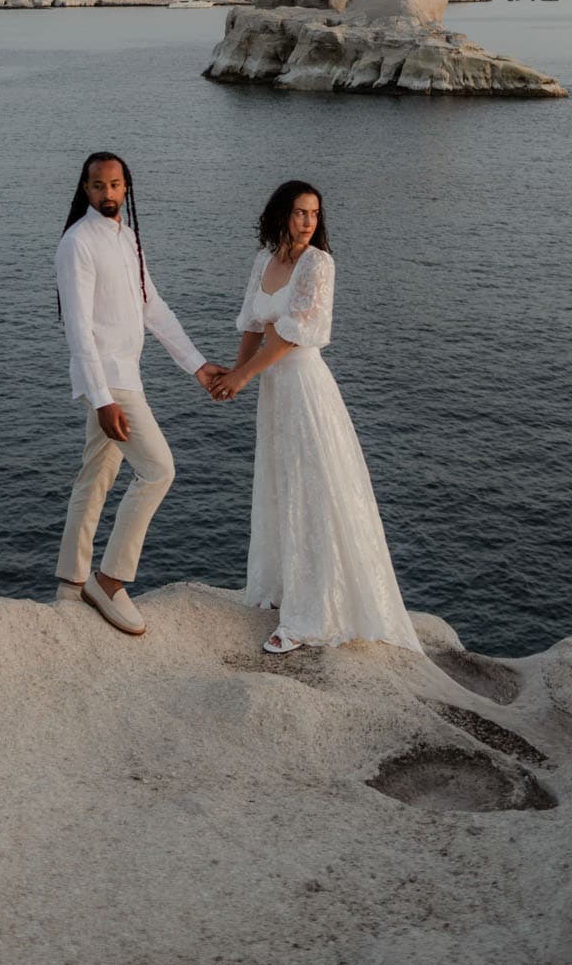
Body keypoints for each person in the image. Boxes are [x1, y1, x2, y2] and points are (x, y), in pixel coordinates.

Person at [212, 178, 421, 656]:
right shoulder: (264, 261)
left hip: (304, 388)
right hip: (273, 390)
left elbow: (291, 335)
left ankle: (308, 617)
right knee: (281, 485)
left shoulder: (318, 265)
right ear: (280, 214)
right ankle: (284, 590)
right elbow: (252, 322)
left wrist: (242, 378)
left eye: (314, 214)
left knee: (312, 490)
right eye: (300, 212)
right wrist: (232, 372)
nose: (308, 222)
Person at [55, 150, 226, 636]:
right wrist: (103, 398)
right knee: (157, 471)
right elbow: (79, 330)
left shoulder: (128, 238)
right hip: (110, 382)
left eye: (114, 185)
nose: (106, 193)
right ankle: (108, 582)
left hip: (124, 375)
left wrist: (197, 367)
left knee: (96, 477)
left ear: (125, 187)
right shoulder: (77, 244)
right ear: (84, 190)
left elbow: (154, 309)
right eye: (97, 185)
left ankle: (70, 584)